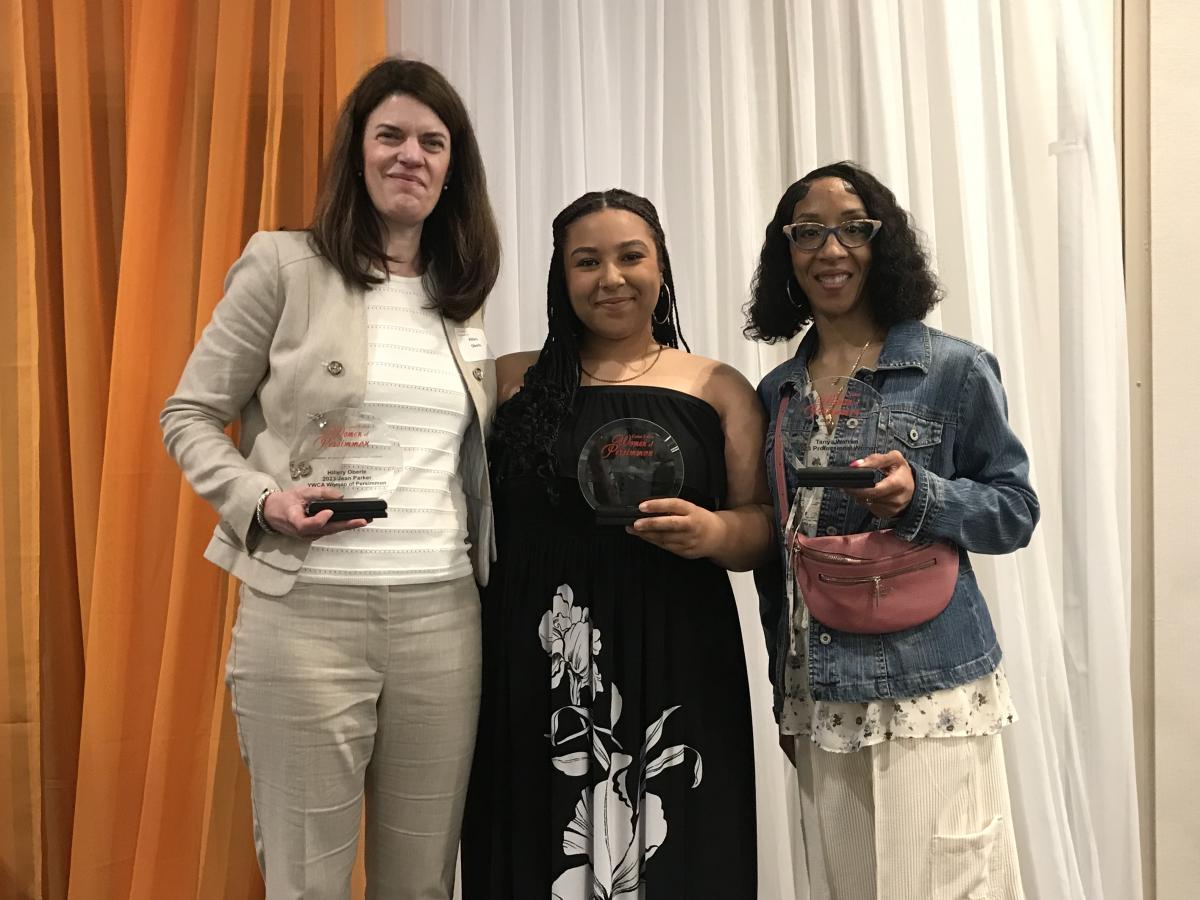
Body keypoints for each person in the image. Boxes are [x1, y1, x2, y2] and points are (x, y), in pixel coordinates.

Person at [160, 58, 501, 900]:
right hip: (305, 615)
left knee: (421, 885)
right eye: (390, 136)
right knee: (307, 885)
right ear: (358, 154)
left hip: (444, 618)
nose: (409, 156)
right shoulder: (283, 265)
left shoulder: (460, 299)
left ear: (453, 166)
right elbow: (188, 414)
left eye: (432, 141)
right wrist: (260, 500)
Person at [460, 189, 772, 898]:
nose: (611, 278)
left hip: (676, 647)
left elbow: (761, 526)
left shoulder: (718, 386)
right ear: (559, 277)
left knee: (677, 850)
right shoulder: (507, 381)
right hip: (535, 654)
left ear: (661, 267)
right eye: (586, 261)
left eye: (631, 256)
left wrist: (716, 531)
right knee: (533, 845)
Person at [748, 161, 1038, 899]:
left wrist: (921, 497)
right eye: (807, 232)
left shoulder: (953, 370)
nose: (830, 248)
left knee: (946, 886)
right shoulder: (778, 392)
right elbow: (779, 558)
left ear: (885, 244)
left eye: (853, 228)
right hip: (822, 694)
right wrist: (787, 688)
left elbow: (1014, 510)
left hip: (930, 687)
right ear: (787, 254)